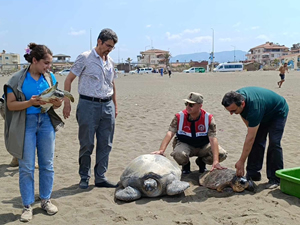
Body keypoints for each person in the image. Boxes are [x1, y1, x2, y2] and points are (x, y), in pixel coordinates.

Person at [3, 43, 62, 222]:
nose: (48, 67)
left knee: (47, 164)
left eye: (50, 63)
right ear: (34, 60)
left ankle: (45, 200)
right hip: (25, 124)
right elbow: (10, 105)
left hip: (45, 123)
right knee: (26, 167)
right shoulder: (16, 80)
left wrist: (57, 102)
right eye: (45, 63)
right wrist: (31, 102)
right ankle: (27, 205)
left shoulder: (50, 77)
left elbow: (56, 101)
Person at [63, 28, 118, 189]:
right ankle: (84, 177)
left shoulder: (110, 61)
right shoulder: (85, 57)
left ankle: (100, 177)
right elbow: (68, 80)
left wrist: (115, 105)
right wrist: (67, 102)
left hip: (107, 105)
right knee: (87, 143)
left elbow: (112, 83)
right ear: (99, 41)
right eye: (108, 45)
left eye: (112, 47)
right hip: (88, 105)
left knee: (106, 143)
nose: (109, 49)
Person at [221, 86, 289, 189]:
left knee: (274, 143)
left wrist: (241, 161)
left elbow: (250, 138)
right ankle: (253, 174)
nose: (231, 114)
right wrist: (252, 131)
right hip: (262, 112)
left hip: (277, 112)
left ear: (242, 104)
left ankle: (275, 179)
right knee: (257, 140)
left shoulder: (254, 107)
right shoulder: (237, 97)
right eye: (229, 111)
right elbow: (249, 127)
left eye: (233, 111)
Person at [152, 92, 227, 174]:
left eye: (191, 105)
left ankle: (201, 161)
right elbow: (170, 133)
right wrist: (161, 150)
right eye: (186, 104)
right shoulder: (179, 117)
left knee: (221, 154)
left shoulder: (208, 118)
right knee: (178, 154)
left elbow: (213, 139)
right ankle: (186, 165)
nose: (188, 107)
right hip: (185, 144)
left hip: (203, 146)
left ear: (200, 106)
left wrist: (216, 161)